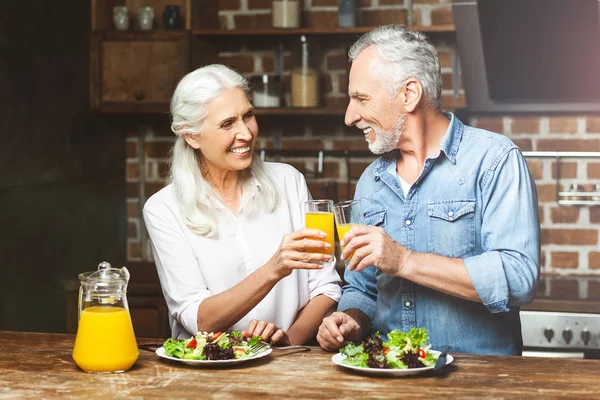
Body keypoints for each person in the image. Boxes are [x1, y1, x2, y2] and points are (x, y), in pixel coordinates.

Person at [317, 25, 540, 355]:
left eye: (361, 98)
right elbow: (362, 288)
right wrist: (349, 320)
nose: (350, 116)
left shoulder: (493, 161)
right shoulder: (370, 182)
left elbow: (519, 278)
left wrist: (404, 260)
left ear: (409, 95)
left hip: (479, 384)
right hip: (389, 377)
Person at [143, 64, 341, 344]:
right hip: (209, 373)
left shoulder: (289, 181)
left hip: (291, 366)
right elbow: (197, 318)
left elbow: (326, 288)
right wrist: (273, 270)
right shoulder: (164, 209)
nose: (246, 134)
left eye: (248, 116)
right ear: (191, 135)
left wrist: (287, 344)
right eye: (227, 124)